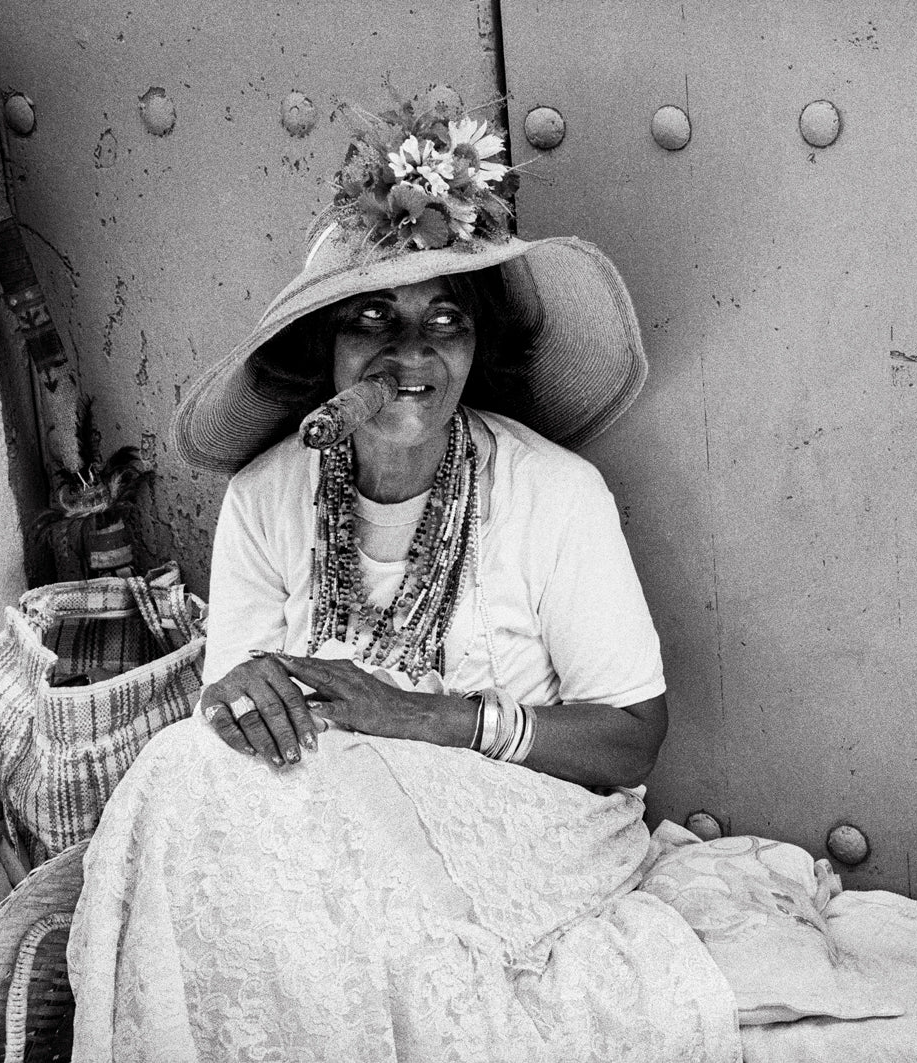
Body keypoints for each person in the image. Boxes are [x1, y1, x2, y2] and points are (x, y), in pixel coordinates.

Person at [68, 94, 741, 1062]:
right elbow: (231, 713)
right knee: (183, 770)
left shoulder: (553, 493)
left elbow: (631, 738)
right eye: (374, 321)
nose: (411, 356)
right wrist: (238, 696)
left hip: (522, 826)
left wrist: (429, 717)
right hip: (315, 814)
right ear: (328, 352)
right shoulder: (269, 496)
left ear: (477, 348)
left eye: (445, 323)